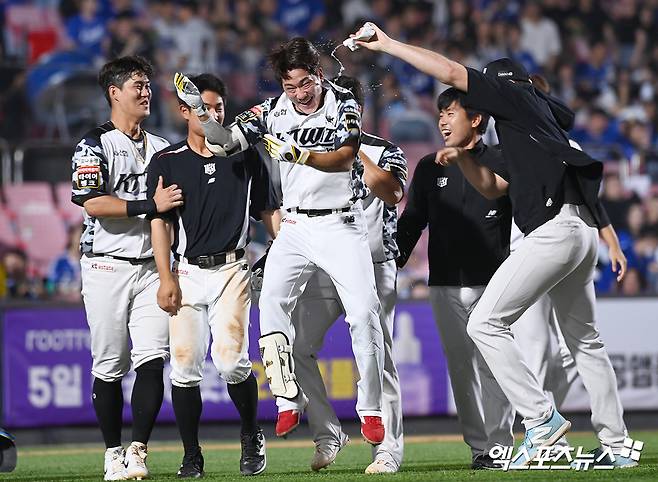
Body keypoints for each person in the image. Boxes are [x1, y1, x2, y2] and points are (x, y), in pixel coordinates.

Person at [352, 23, 635, 466]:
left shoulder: (510, 98)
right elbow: (492, 187)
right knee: (585, 342)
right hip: (580, 235)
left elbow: (447, 69)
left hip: (554, 234)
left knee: (483, 323)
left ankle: (541, 420)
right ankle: (617, 445)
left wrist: (387, 44)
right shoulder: (540, 121)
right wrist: (464, 157)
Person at [174, 37, 386, 445]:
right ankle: (287, 397)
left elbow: (345, 155)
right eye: (291, 87)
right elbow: (223, 142)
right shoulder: (271, 110)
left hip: (341, 223)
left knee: (363, 313)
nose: (300, 94)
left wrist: (296, 153)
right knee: (270, 302)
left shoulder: (343, 102)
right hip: (294, 225)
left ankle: (370, 408)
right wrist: (201, 110)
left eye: (305, 84)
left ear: (318, 74)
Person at [149, 73, 279, 477]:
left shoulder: (244, 154)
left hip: (233, 268)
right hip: (186, 269)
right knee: (185, 368)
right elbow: (160, 222)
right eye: (205, 108)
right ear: (185, 112)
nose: (214, 115)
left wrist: (286, 256)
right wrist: (165, 277)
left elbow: (268, 210)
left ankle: (249, 434)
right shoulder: (167, 162)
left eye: (219, 108)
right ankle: (191, 453)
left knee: (230, 362)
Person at [71, 55, 182, 481]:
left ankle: (138, 449)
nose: (146, 91)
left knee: (153, 359)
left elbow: (169, 212)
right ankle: (112, 452)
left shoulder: (161, 147)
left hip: (152, 267)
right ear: (114, 93)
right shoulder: (93, 143)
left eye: (148, 84)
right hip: (106, 266)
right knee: (109, 365)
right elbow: (93, 202)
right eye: (137, 84)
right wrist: (148, 205)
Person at [290, 75, 407, 474]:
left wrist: (352, 151)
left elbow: (392, 193)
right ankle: (327, 433)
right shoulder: (307, 150)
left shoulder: (385, 150)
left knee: (379, 356)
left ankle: (387, 450)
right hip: (323, 268)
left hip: (373, 267)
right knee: (297, 348)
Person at [397, 87, 515, 470]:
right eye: (441, 114)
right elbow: (413, 220)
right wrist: (391, 260)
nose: (443, 120)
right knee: (462, 370)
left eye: (451, 112)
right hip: (444, 282)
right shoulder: (430, 166)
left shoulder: (501, 160)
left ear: (476, 119)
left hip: (495, 282)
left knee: (493, 366)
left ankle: (501, 446)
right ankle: (480, 449)